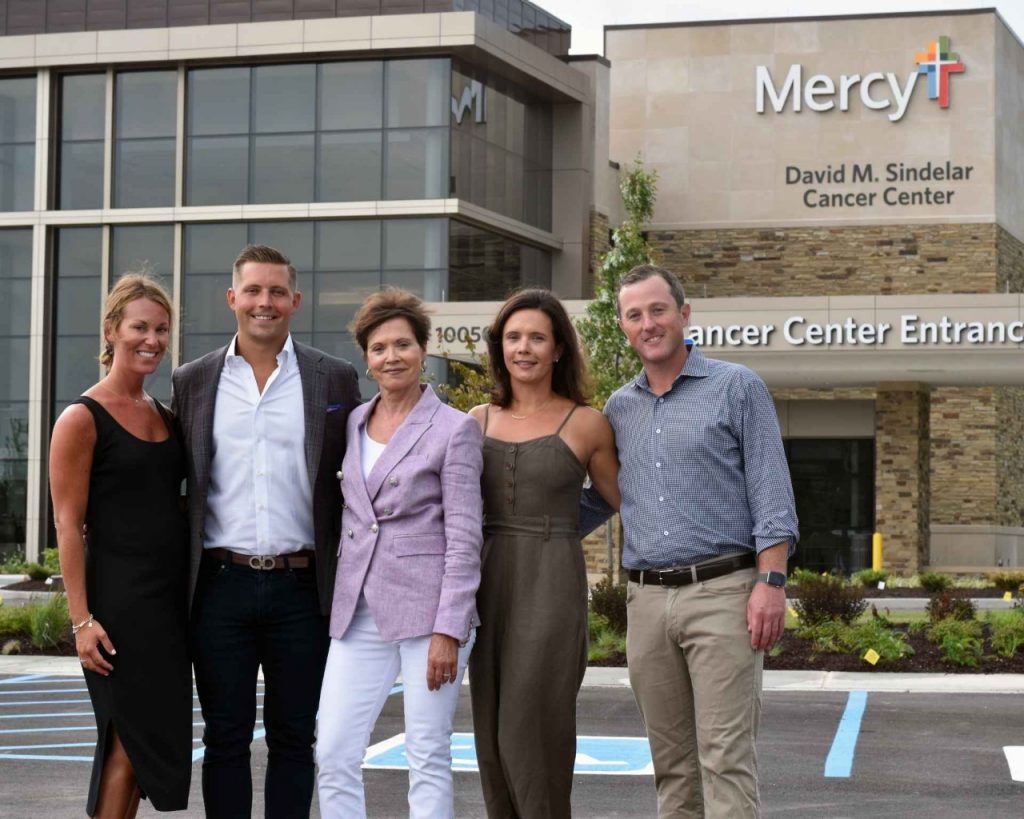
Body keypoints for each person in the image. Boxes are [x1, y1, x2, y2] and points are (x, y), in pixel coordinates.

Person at [581, 264, 799, 819]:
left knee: (725, 758)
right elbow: (600, 498)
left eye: (657, 310)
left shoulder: (737, 387)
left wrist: (770, 584)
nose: (648, 323)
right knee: (672, 765)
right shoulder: (617, 409)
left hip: (724, 593)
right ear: (624, 327)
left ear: (684, 313)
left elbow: (772, 496)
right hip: (647, 602)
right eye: (635, 315)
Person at [171, 244, 360, 818]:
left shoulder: (335, 379)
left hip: (302, 589)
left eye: (277, 292)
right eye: (253, 290)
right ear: (232, 299)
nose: (264, 302)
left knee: (293, 741)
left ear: (295, 301)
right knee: (224, 740)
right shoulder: (193, 381)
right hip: (220, 586)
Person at [316, 288, 483, 819]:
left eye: (403, 345)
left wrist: (449, 630)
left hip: (429, 615)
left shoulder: (454, 429)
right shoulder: (351, 423)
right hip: (357, 611)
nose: (392, 356)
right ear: (366, 357)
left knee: (427, 754)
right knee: (333, 750)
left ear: (423, 349)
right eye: (380, 347)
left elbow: (464, 536)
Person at [468, 288, 620, 819]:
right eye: (513, 337)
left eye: (537, 337)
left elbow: (616, 498)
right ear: (499, 347)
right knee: (488, 730)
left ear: (559, 349)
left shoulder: (586, 422)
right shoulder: (476, 419)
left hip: (551, 584)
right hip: (484, 586)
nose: (524, 348)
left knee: (530, 727)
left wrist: (558, 529)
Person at [49, 274, 191, 817]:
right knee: (127, 745)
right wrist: (82, 622)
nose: (152, 339)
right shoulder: (82, 418)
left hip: (168, 609)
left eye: (161, 329)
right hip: (119, 608)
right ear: (112, 330)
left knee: (144, 748)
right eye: (139, 327)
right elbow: (67, 525)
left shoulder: (167, 416)